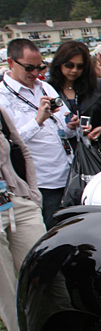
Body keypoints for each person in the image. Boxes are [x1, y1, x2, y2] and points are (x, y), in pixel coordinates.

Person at [1, 39, 75, 227]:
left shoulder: (44, 87)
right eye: (29, 68)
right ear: (11, 62)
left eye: (39, 67)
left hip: (68, 172)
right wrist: (37, 121)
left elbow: (65, 127)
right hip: (41, 182)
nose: (35, 73)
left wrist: (72, 125)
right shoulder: (2, 97)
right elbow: (9, 144)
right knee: (49, 235)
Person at [0, 102, 45, 331]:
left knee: (41, 266)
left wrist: (31, 193)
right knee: (5, 286)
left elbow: (21, 149)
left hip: (16, 199)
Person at [46, 41, 101, 153]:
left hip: (97, 150)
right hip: (62, 153)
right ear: (59, 63)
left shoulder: (97, 85)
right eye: (69, 65)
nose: (74, 70)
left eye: (80, 66)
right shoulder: (46, 89)